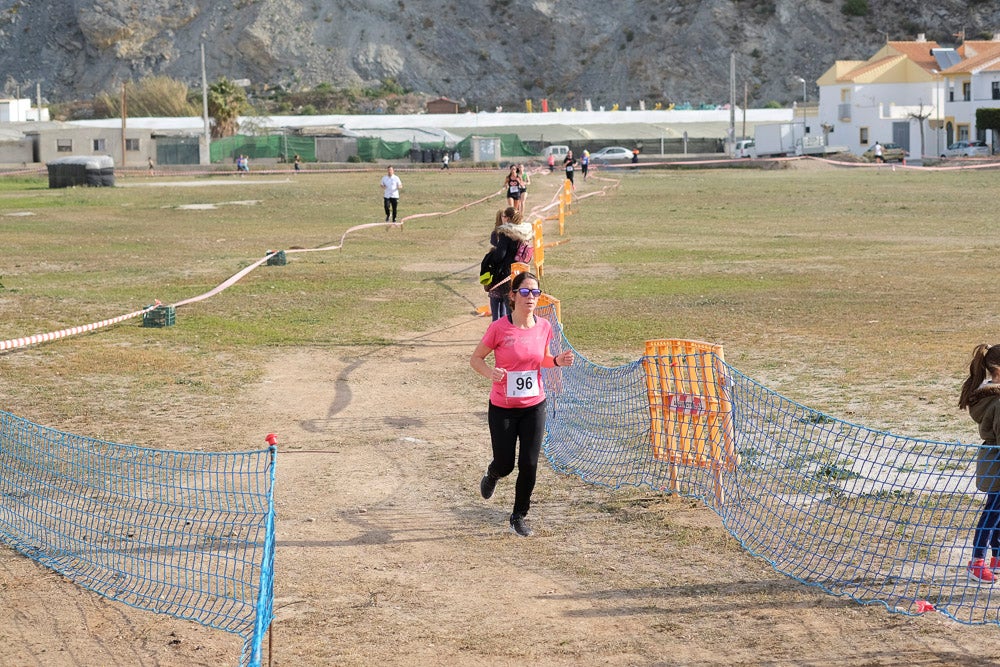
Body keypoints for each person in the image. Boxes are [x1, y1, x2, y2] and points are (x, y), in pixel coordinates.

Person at [470, 271, 574, 537]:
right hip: (503, 407)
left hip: (534, 406)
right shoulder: (499, 328)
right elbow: (476, 359)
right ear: (513, 296)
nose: (531, 297)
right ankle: (493, 474)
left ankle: (518, 515)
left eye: (535, 292)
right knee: (506, 464)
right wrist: (491, 373)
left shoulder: (544, 327)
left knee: (529, 463)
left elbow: (543, 359)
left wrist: (557, 361)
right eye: (525, 292)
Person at [959, 343, 1000, 583]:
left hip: (991, 459)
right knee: (992, 513)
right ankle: (977, 563)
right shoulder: (998, 401)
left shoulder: (987, 395)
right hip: (997, 462)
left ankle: (997, 558)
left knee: (997, 511)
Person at [481, 207, 533, 321]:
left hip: (506, 274)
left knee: (508, 307)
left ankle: (507, 328)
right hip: (520, 271)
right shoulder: (525, 232)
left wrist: (491, 256)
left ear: (508, 218)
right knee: (515, 305)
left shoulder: (506, 233)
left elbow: (500, 255)